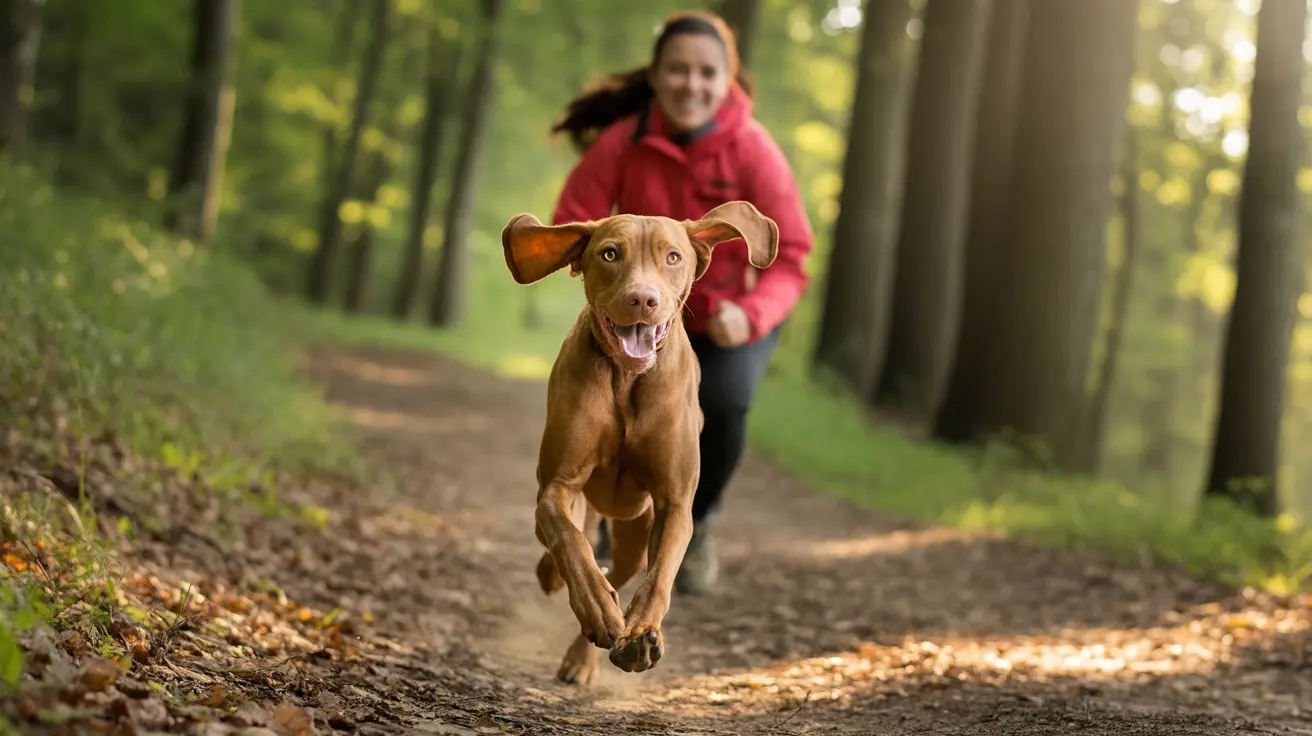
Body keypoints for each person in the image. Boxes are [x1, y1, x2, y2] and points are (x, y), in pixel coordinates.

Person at [547, 10, 815, 595]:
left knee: (725, 398)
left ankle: (697, 516)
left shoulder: (752, 149)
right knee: (601, 392)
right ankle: (598, 507)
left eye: (705, 73)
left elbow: (792, 255)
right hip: (636, 305)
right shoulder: (624, 143)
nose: (690, 84)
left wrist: (752, 313)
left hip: (729, 315)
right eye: (677, 70)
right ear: (656, 75)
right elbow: (572, 222)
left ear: (727, 80)